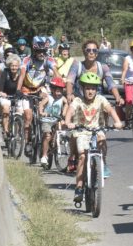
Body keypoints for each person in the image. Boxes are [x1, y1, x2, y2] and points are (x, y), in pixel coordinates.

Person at [64, 72, 123, 202]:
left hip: (97, 130)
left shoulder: (101, 99)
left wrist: (117, 121)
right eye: (87, 88)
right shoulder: (78, 101)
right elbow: (70, 111)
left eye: (93, 88)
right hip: (82, 131)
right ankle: (79, 187)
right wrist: (68, 122)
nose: (90, 91)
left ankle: (103, 164)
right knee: (83, 157)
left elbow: (110, 110)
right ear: (82, 89)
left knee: (102, 141)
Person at [17, 36, 56, 157]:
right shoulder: (27, 60)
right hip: (26, 88)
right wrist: (18, 90)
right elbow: (22, 75)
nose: (41, 54)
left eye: (44, 51)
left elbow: (56, 72)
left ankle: (51, 136)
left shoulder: (48, 60)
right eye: (39, 51)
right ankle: (28, 141)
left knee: (51, 105)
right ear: (34, 51)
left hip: (40, 88)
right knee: (28, 117)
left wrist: (61, 85)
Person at [39, 76, 68, 167]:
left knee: (63, 127)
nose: (58, 92)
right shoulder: (49, 97)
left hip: (57, 119)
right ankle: (44, 156)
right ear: (52, 89)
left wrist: (64, 113)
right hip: (47, 120)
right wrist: (42, 112)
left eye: (60, 90)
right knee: (47, 136)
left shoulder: (62, 98)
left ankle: (59, 140)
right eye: (56, 90)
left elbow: (67, 104)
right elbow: (41, 105)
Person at [0, 54, 23, 139]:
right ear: (9, 65)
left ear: (18, 66)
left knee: (20, 112)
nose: (14, 68)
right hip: (6, 95)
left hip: (16, 96)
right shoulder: (5, 72)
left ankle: (17, 132)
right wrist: (1, 92)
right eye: (12, 66)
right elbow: (1, 86)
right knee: (6, 110)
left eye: (16, 66)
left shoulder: (21, 74)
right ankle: (6, 130)